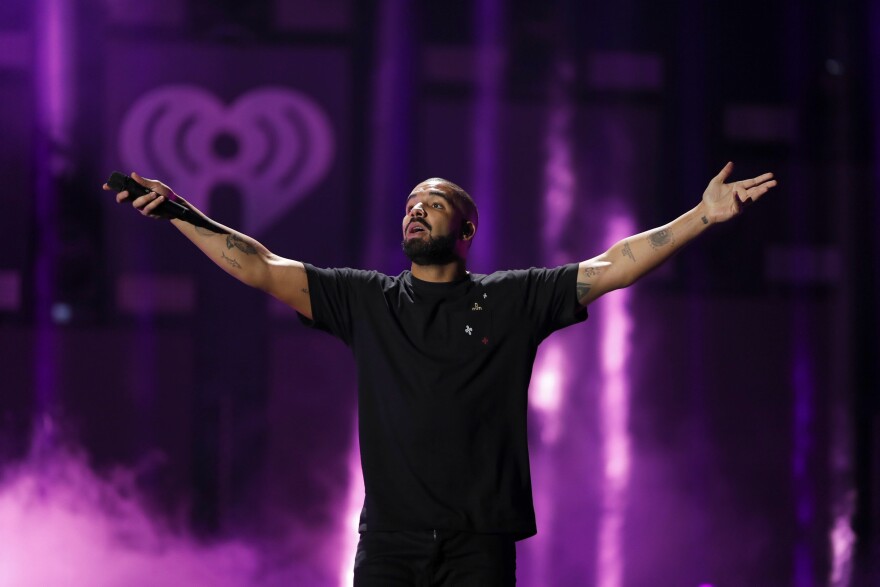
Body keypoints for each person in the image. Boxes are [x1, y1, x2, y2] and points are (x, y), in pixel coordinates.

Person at [104, 162, 776, 586]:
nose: (416, 209)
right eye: (409, 203)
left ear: (468, 229)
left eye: (433, 201)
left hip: (479, 546)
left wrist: (701, 217)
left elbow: (614, 264)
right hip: (388, 546)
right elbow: (260, 265)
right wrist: (180, 213)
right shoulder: (366, 300)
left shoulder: (513, 299)